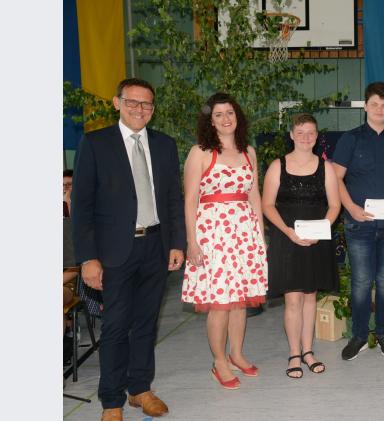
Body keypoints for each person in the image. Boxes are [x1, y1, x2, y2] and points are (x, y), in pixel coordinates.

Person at [71, 78, 185, 421]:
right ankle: (111, 401)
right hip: (113, 252)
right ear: (117, 102)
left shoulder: (164, 145)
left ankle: (140, 390)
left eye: (147, 104)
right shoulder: (95, 144)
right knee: (117, 326)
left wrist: (177, 242)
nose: (140, 109)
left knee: (147, 324)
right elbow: (82, 207)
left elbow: (171, 200)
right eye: (133, 102)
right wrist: (88, 258)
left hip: (155, 246)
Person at [181, 93, 267, 390]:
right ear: (210, 120)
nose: (225, 119)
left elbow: (254, 194)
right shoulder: (201, 152)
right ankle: (219, 361)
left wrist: (260, 235)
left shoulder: (249, 152)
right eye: (218, 114)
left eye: (230, 112)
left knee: (239, 302)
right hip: (213, 235)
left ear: (237, 116)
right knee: (220, 303)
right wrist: (192, 241)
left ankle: (237, 354)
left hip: (244, 234)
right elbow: (191, 199)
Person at [332, 81, 384, 361]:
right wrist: (351, 208)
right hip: (359, 225)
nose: (380, 109)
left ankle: (383, 334)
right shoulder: (350, 139)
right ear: (366, 106)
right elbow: (335, 178)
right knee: (361, 282)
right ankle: (358, 336)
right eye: (375, 104)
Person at [262, 113, 340, 378]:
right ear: (292, 135)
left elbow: (334, 205)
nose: (306, 137)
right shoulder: (277, 166)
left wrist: (322, 229)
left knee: (310, 298)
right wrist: (287, 231)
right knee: (292, 300)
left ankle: (309, 351)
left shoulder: (326, 167)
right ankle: (294, 353)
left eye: (311, 133)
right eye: (301, 132)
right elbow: (267, 205)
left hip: (316, 240)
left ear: (317, 137)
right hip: (287, 240)